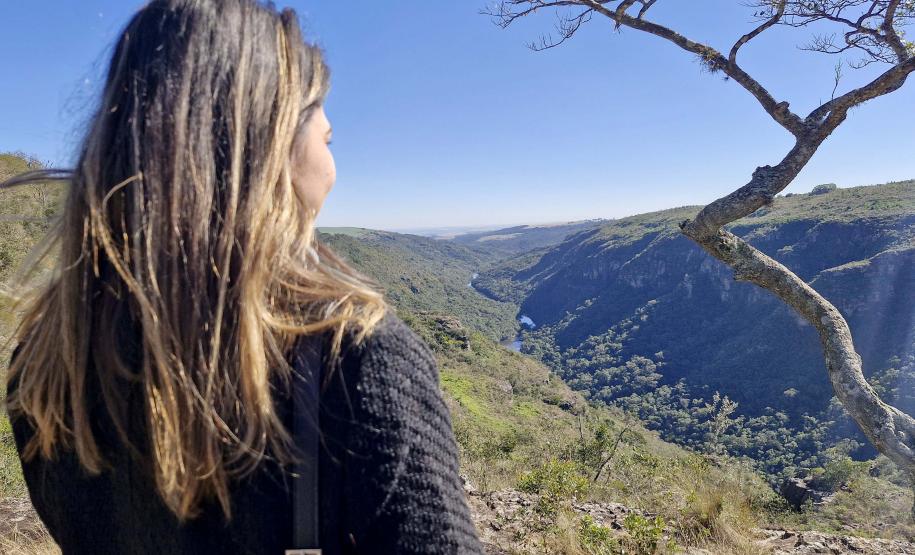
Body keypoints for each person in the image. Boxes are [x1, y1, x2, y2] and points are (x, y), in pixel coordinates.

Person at [2, 1, 483, 553]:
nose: (331, 168)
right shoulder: (353, 363)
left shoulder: (43, 369)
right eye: (326, 140)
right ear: (274, 148)